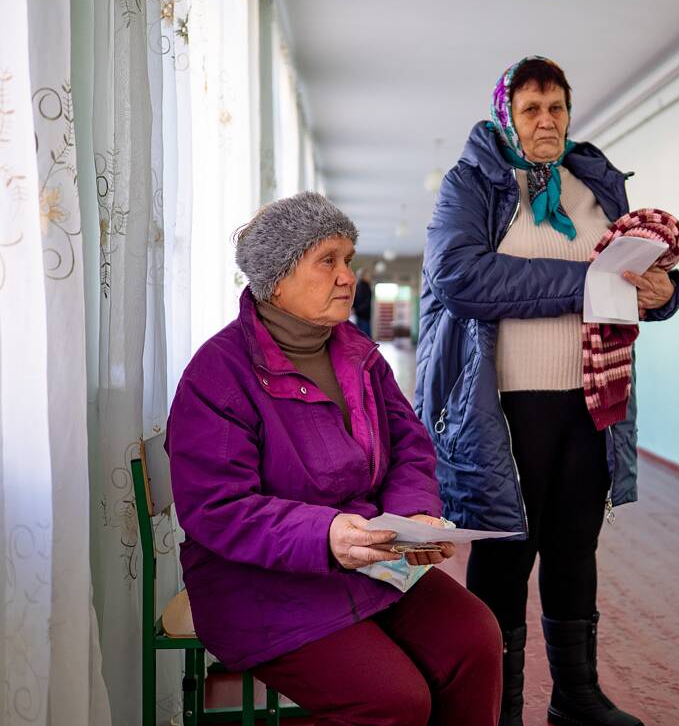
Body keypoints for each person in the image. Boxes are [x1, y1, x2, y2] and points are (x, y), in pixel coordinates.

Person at [415, 57, 679, 726]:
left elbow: (639, 273)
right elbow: (460, 277)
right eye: (531, 108)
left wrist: (663, 293)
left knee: (574, 547)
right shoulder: (472, 182)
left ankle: (575, 696)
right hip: (500, 406)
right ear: (506, 112)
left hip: (589, 401)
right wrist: (586, 285)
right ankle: (498, 709)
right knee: (506, 554)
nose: (546, 121)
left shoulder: (591, 184)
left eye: (556, 107)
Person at [166, 192, 502, 726]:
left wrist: (413, 514)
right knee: (393, 700)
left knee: (475, 637)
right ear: (277, 278)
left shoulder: (359, 355)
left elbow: (410, 445)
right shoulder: (217, 374)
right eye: (329, 260)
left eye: (349, 258)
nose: (348, 276)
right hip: (258, 583)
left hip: (367, 557)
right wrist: (324, 535)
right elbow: (218, 508)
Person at [353, 267, 373, 337]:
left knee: (361, 337)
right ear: (364, 275)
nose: (369, 277)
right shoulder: (365, 286)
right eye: (368, 275)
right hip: (364, 316)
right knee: (366, 339)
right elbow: (366, 303)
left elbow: (354, 300)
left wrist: (356, 310)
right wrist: (359, 310)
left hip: (359, 316)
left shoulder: (357, 286)